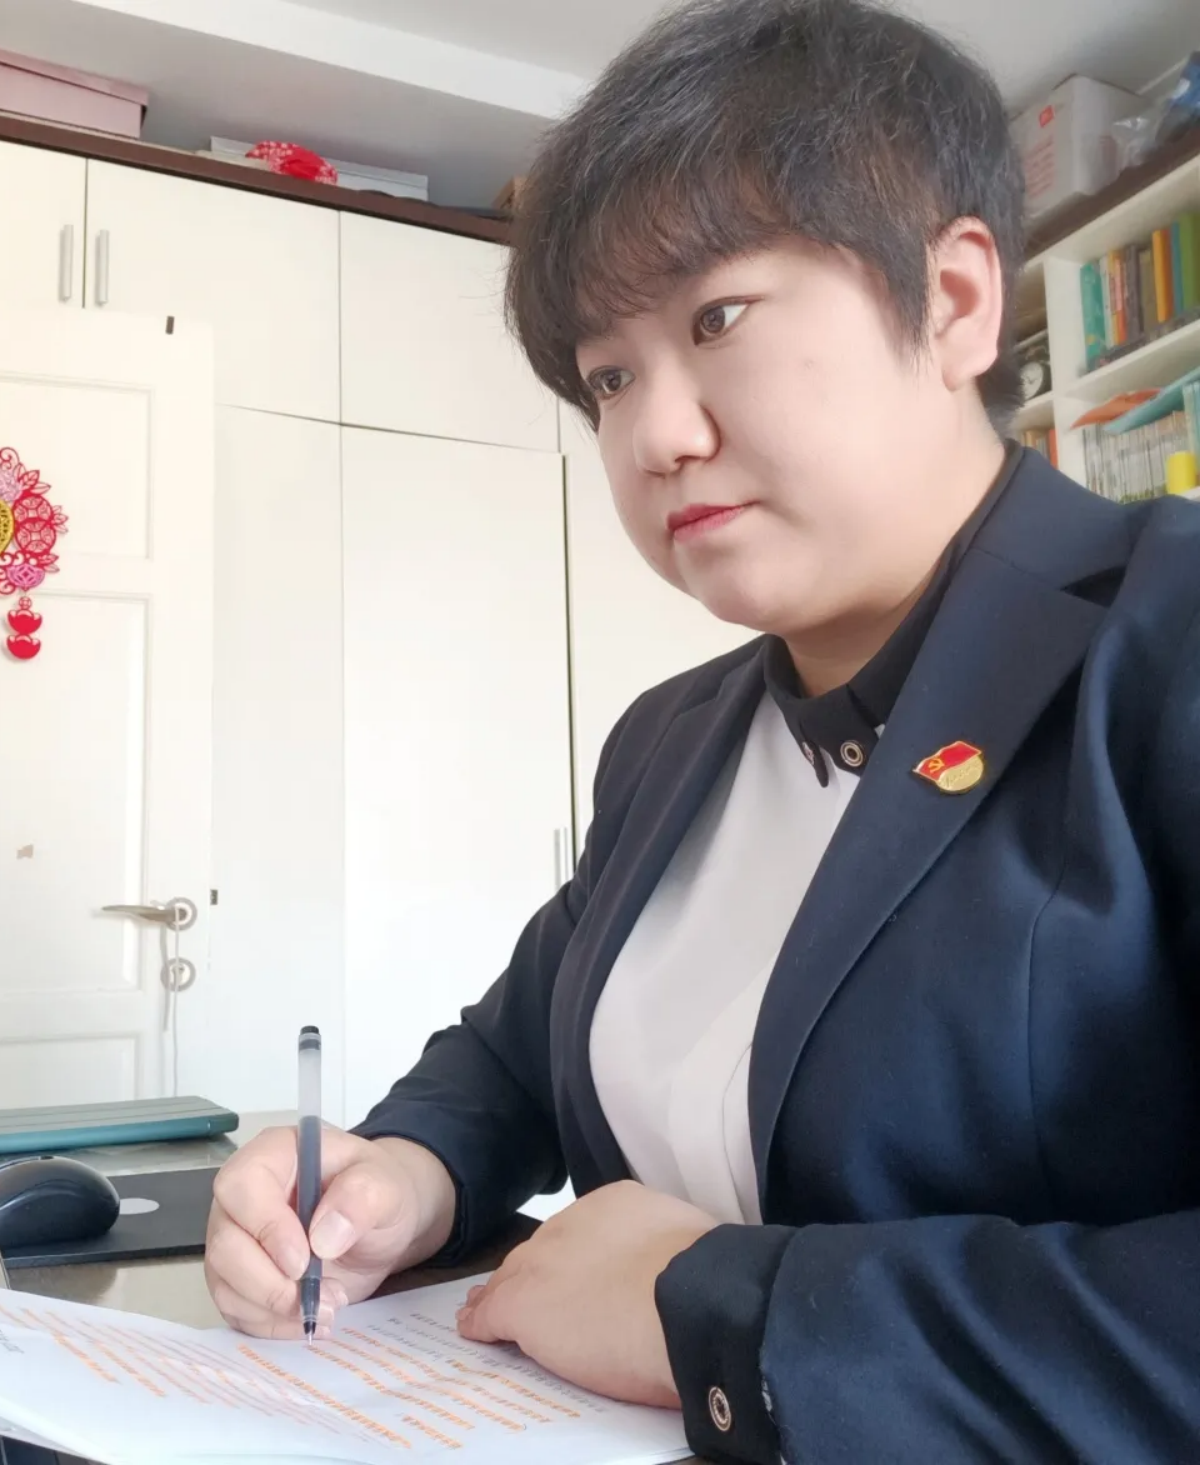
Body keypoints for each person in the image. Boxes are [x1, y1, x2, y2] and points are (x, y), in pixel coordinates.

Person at [205, 0, 1200, 1459]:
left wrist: (723, 1313)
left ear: (953, 301)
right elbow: (515, 1052)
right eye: (608, 377)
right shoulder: (672, 739)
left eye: (717, 320)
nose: (656, 436)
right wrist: (398, 1175)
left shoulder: (1163, 641)